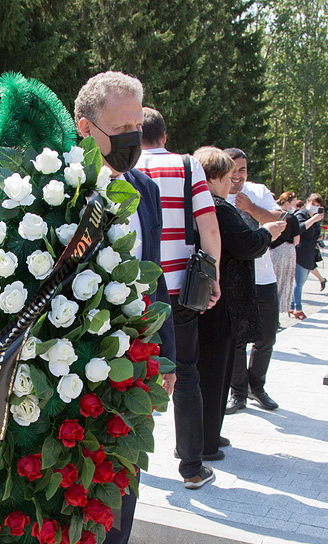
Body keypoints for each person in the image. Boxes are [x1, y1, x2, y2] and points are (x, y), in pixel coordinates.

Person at [21, 72, 176, 544]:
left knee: (120, 481)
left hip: (131, 367)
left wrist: (169, 362)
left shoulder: (148, 191)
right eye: (122, 128)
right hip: (61, 364)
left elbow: (158, 289)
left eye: (139, 125)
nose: (134, 137)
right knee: (51, 478)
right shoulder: (52, 191)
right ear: (85, 128)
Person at [136, 107, 222, 477]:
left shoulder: (120, 168)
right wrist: (212, 275)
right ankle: (191, 465)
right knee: (186, 372)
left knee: (132, 370)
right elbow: (209, 227)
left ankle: (130, 464)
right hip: (180, 289)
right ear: (165, 136)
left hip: (135, 288)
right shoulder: (188, 166)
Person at [195, 148, 284, 459]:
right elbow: (245, 245)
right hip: (220, 300)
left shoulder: (198, 204)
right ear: (217, 178)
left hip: (208, 298)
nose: (233, 181)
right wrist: (267, 233)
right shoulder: (217, 207)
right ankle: (203, 442)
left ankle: (209, 435)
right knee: (212, 373)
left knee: (213, 372)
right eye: (227, 176)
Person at [222, 148, 284, 414]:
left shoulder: (258, 191)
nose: (238, 175)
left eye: (243, 169)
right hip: (232, 279)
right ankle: (238, 393)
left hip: (263, 277)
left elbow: (279, 221)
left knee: (266, 338)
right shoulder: (216, 190)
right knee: (235, 340)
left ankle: (256, 386)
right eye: (233, 168)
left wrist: (250, 208)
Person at [291, 193, 326, 319]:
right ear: (307, 202)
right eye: (313, 204)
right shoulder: (301, 215)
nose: (314, 207)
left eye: (317, 205)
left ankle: (292, 305)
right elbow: (299, 229)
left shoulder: (315, 218)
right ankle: (297, 308)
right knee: (298, 282)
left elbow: (314, 234)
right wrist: (313, 220)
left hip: (309, 253)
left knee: (301, 281)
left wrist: (320, 239)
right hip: (300, 252)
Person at [270, 191, 302, 316]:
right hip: (287, 251)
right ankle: (279, 310)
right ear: (288, 203)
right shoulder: (292, 218)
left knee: (272, 281)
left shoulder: (271, 215)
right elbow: (296, 240)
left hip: (271, 251)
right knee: (285, 282)